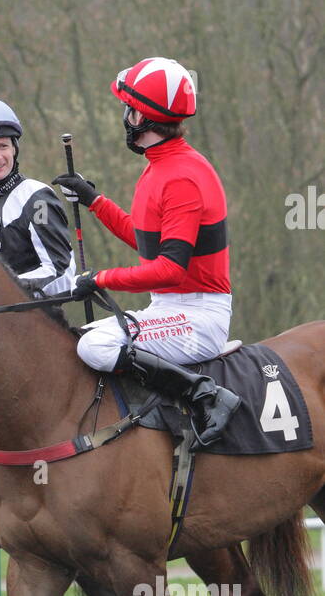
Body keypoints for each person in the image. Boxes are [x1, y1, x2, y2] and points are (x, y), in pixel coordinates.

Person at [54, 56, 239, 446]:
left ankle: (204, 394)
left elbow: (169, 269)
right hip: (170, 309)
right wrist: (94, 201)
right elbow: (148, 243)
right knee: (78, 339)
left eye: (128, 109)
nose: (125, 117)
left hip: (198, 317)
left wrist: (101, 278)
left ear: (142, 117)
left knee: (95, 345)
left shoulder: (182, 177)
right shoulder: (160, 166)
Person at [0, 98, 76, 296]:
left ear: (14, 148)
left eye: (3, 146)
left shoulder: (37, 199)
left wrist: (2, 290)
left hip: (34, 312)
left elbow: (61, 272)